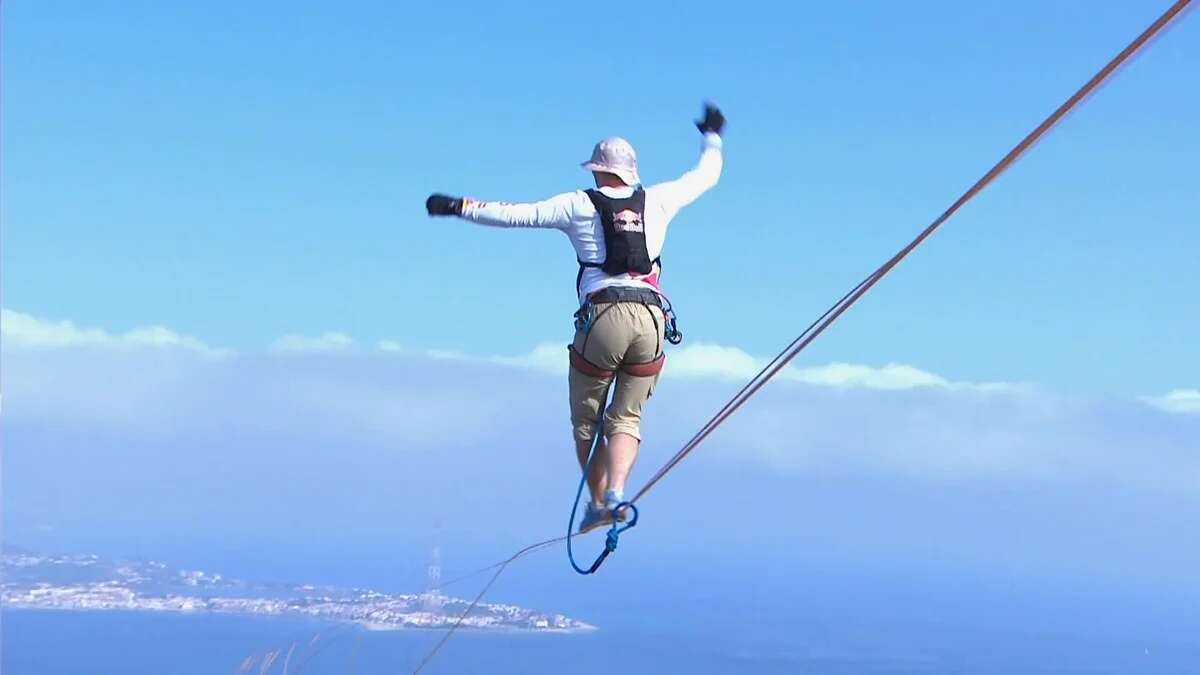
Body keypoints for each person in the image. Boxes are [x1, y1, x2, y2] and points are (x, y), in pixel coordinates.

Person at [426, 103, 725, 533]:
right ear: (632, 172)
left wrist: (458, 206)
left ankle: (599, 501)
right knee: (626, 418)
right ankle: (618, 493)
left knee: (587, 419)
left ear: (597, 171)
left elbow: (516, 214)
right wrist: (711, 135)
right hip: (651, 321)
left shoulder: (577, 204)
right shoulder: (658, 200)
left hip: (604, 317)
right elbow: (706, 175)